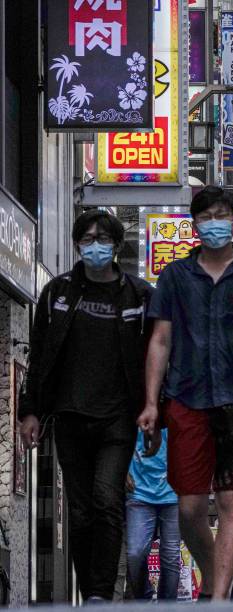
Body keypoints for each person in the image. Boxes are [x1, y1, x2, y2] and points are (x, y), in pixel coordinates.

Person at [137, 186, 233, 601]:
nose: (214, 223)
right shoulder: (174, 277)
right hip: (185, 400)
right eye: (206, 216)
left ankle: (219, 598)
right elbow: (159, 341)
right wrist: (151, 403)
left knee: (230, 500)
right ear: (195, 223)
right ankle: (216, 575)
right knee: (189, 509)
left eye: (222, 214)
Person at [18, 210, 153, 603]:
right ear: (77, 244)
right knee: (79, 510)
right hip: (70, 417)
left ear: (115, 245)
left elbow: (153, 357)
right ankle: (90, 587)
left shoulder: (139, 296)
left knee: (106, 499)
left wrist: (152, 410)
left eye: (102, 239)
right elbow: (39, 355)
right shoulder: (58, 294)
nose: (95, 246)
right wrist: (31, 411)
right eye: (87, 238)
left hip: (118, 419)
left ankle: (98, 594)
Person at [126, 430, 180, 601]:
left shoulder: (175, 405)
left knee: (171, 556)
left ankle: (167, 607)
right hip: (138, 490)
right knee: (135, 553)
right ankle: (145, 601)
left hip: (173, 492)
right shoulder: (134, 406)